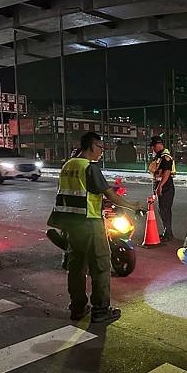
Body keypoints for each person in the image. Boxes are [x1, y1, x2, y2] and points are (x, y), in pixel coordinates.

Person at [47, 132, 143, 323]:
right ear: (92, 145)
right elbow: (110, 195)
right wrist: (134, 206)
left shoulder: (68, 165)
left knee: (76, 268)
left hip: (71, 226)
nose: (101, 152)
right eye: (100, 147)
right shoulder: (89, 168)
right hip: (90, 223)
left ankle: (77, 308)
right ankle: (101, 311)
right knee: (100, 266)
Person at [148, 136, 176, 241]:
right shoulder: (159, 156)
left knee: (165, 210)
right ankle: (167, 233)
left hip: (166, 187)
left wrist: (160, 186)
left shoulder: (165, 157)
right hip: (163, 186)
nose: (153, 148)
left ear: (159, 145)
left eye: (154, 146)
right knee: (163, 210)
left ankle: (168, 234)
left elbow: (167, 172)